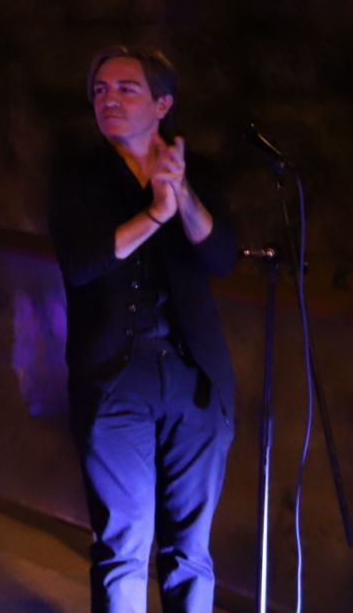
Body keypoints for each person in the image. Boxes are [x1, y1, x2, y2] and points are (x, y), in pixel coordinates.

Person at [48, 48, 236, 613]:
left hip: (193, 374)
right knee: (123, 543)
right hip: (115, 374)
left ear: (162, 103)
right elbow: (82, 264)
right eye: (101, 90)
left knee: (189, 548)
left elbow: (222, 256)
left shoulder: (195, 169)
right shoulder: (77, 176)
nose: (109, 100)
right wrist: (154, 212)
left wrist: (181, 197)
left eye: (126, 89)